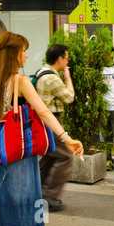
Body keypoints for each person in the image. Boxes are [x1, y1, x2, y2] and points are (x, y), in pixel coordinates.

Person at [0, 31, 83, 226]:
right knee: (27, 206)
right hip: (16, 152)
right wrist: (66, 138)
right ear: (14, 53)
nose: (27, 55)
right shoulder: (19, 80)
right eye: (24, 51)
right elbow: (43, 112)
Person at [37, 44, 76, 212]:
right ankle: (50, 195)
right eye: (66, 59)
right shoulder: (52, 78)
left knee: (50, 156)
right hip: (51, 121)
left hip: (43, 121)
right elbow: (69, 97)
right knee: (66, 156)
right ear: (60, 59)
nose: (67, 62)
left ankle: (35, 191)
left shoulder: (42, 71)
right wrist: (67, 77)